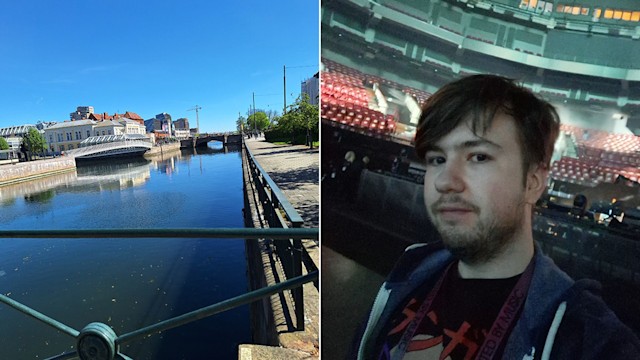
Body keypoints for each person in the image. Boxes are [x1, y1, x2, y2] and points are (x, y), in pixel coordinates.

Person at [354, 75, 640, 359]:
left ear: (532, 183)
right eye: (437, 159)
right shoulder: (409, 270)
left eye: (478, 156)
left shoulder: (585, 336)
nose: (445, 181)